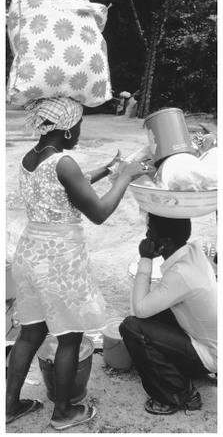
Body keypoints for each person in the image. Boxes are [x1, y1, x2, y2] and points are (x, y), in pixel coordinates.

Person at [6, 97, 147, 430]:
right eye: (80, 125)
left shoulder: (32, 158)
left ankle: (9, 406)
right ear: (68, 130)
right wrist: (124, 178)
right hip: (60, 259)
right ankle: (63, 413)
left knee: (30, 333)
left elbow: (69, 187)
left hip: (31, 254)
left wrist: (108, 168)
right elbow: (97, 213)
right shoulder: (64, 162)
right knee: (70, 337)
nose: (81, 131)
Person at [120, 213, 217, 415]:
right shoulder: (193, 252)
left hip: (210, 355)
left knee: (131, 327)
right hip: (210, 340)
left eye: (150, 231)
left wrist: (145, 259)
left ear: (164, 242)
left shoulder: (180, 274)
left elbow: (138, 310)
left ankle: (179, 394)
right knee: (152, 312)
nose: (146, 236)